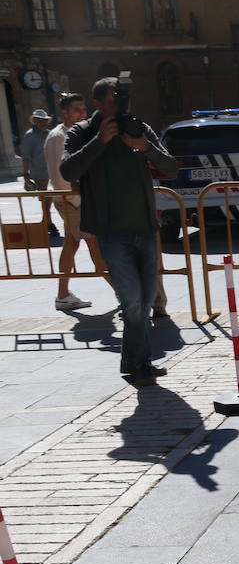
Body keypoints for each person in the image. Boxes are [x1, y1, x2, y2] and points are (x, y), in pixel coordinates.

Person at [60, 76, 178, 386]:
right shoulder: (83, 132)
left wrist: (144, 146)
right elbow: (68, 170)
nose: (122, 105)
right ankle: (141, 367)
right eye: (115, 100)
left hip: (145, 227)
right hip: (112, 232)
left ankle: (134, 363)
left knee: (146, 298)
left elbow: (172, 167)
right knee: (132, 301)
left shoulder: (138, 128)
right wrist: (98, 141)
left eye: (125, 98)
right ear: (98, 104)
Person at [46, 93, 113, 311]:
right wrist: (78, 201)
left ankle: (63, 294)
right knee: (95, 246)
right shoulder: (59, 136)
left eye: (84, 109)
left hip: (72, 200)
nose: (82, 113)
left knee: (71, 244)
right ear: (64, 112)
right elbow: (60, 175)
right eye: (77, 109)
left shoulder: (72, 133)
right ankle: (124, 292)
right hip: (72, 201)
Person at [19, 108, 59, 237]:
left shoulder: (49, 134)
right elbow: (25, 156)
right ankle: (49, 222)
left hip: (51, 170)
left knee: (48, 199)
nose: (42, 122)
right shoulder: (29, 136)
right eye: (39, 120)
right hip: (38, 172)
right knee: (45, 198)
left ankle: (45, 221)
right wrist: (26, 174)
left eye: (44, 120)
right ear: (34, 121)